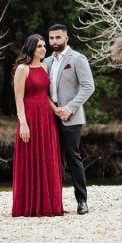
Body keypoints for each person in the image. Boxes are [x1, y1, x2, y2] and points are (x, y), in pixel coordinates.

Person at [43, 23, 95, 215]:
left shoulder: (78, 59)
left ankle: (82, 201)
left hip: (71, 117)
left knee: (73, 157)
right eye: (51, 38)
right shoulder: (47, 62)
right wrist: (54, 109)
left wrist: (69, 108)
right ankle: (55, 203)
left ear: (66, 38)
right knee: (53, 159)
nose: (54, 41)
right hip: (51, 117)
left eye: (58, 37)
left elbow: (88, 87)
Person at [11, 34, 64, 217]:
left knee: (47, 157)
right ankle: (30, 205)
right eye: (40, 46)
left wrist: (55, 110)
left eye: (44, 46)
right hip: (30, 117)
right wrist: (23, 123)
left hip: (46, 119)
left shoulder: (44, 66)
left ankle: (48, 204)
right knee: (31, 158)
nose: (44, 49)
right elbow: (18, 97)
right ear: (32, 48)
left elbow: (45, 95)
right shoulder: (22, 69)